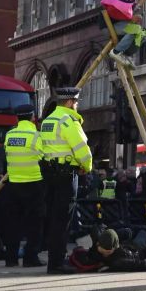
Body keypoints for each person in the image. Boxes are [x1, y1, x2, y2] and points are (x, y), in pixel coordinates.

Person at [39, 87, 93, 274]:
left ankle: (52, 262)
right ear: (69, 102)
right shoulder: (68, 121)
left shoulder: (48, 121)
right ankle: (57, 263)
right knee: (63, 221)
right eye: (76, 102)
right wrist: (87, 167)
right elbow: (82, 150)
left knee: (54, 219)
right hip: (66, 175)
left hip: (49, 175)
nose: (77, 106)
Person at [0, 104, 46, 268]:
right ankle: (30, 258)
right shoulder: (36, 136)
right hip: (34, 184)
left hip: (13, 185)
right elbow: (43, 156)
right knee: (34, 224)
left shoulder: (9, 135)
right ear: (33, 117)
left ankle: (11, 258)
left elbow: (7, 155)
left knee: (13, 224)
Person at [104, 0, 146, 68]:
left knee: (144, 33)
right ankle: (116, 52)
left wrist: (134, 17)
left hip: (119, 25)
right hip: (112, 25)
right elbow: (116, 12)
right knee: (137, 30)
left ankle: (125, 54)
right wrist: (132, 18)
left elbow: (125, 11)